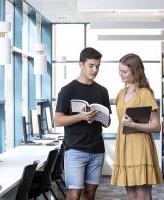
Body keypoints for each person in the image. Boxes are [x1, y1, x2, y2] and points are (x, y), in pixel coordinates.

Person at [55, 47, 111, 200]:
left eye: (98, 66)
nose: (95, 70)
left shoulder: (102, 91)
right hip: (75, 149)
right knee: (74, 193)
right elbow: (58, 120)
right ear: (81, 64)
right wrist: (80, 117)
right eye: (91, 66)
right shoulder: (67, 90)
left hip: (97, 149)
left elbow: (108, 122)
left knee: (90, 192)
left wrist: (100, 117)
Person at [111, 53, 163, 200]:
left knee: (143, 196)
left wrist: (133, 124)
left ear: (135, 71)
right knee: (132, 196)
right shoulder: (120, 94)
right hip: (124, 146)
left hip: (140, 147)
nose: (121, 75)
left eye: (124, 72)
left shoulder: (145, 93)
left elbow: (156, 126)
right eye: (119, 71)